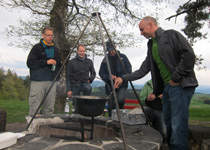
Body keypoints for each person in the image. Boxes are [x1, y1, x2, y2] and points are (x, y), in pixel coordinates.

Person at [114, 16, 198, 150]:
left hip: (181, 86)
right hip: (168, 89)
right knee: (170, 125)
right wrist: (123, 78)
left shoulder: (171, 35)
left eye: (142, 30)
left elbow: (189, 56)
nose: (141, 33)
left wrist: (175, 78)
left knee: (178, 125)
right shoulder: (152, 44)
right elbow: (143, 70)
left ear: (151, 24)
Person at [27, 26, 61, 116]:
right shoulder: (37, 48)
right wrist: (46, 62)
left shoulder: (55, 49)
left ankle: (47, 128)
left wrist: (57, 78)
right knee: (35, 107)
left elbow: (59, 65)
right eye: (48, 35)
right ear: (43, 35)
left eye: (51, 35)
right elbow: (30, 63)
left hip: (52, 81)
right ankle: (32, 128)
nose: (50, 37)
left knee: (49, 108)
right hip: (38, 81)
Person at [99, 41, 132, 117]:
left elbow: (129, 71)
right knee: (110, 105)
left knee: (120, 99)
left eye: (112, 50)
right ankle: (111, 120)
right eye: (109, 51)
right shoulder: (105, 59)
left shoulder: (123, 57)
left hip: (122, 84)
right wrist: (109, 77)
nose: (111, 52)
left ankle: (122, 117)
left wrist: (122, 79)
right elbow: (101, 73)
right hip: (110, 85)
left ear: (115, 47)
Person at [66, 44, 96, 113]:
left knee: (88, 88)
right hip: (74, 84)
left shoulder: (89, 61)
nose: (82, 53)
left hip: (85, 83)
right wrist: (68, 89)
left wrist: (90, 79)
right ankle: (75, 116)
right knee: (75, 104)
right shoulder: (72, 62)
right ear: (77, 51)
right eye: (80, 51)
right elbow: (68, 76)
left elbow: (93, 73)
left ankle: (85, 108)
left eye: (83, 51)